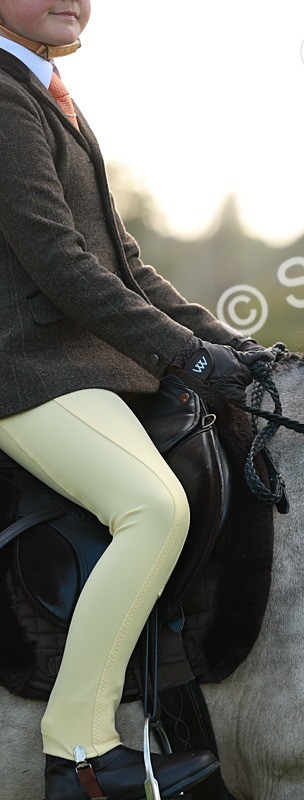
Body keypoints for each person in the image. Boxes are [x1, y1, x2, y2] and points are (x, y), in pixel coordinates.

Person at [0, 2, 273, 797]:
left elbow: (122, 263)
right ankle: (77, 753)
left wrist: (224, 342)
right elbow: (57, 261)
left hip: (81, 365)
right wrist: (181, 354)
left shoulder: (50, 92)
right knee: (151, 508)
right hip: (25, 370)